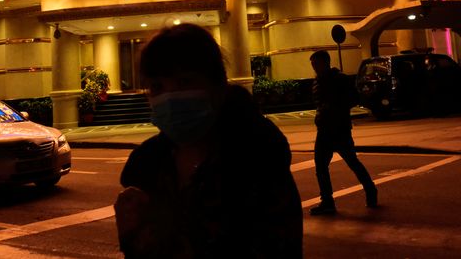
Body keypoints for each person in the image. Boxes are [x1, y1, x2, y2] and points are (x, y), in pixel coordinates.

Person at [115, 24, 303, 258]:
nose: (170, 97)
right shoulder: (146, 166)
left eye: (184, 82)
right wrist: (132, 232)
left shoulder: (257, 158)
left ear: (218, 85)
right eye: (157, 87)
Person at [309, 50, 377, 215]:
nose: (314, 67)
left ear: (325, 62)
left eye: (316, 64)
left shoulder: (339, 79)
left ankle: (370, 190)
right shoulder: (318, 81)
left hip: (339, 129)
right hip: (324, 129)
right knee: (321, 166)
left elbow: (353, 98)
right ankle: (327, 201)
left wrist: (334, 107)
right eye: (313, 65)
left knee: (352, 162)